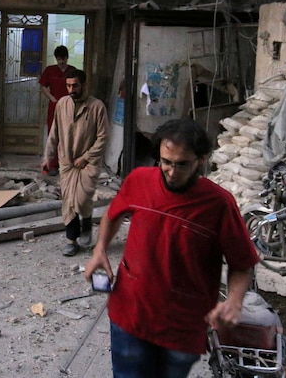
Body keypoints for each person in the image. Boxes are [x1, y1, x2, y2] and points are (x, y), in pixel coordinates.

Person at [83, 118, 258, 378]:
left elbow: (242, 263)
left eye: (182, 164)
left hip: (182, 327)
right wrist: (100, 251)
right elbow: (113, 214)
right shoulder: (139, 181)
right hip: (130, 314)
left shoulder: (219, 204)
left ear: (201, 159)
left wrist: (234, 301)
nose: (172, 172)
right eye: (166, 162)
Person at [42, 68, 107, 256]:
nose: (71, 89)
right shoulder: (62, 104)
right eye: (68, 85)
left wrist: (86, 157)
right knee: (69, 202)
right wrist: (48, 157)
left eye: (75, 85)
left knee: (82, 198)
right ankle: (71, 240)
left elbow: (103, 138)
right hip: (67, 162)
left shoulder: (97, 107)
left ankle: (86, 225)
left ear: (84, 85)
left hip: (89, 162)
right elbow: (54, 133)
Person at [38, 45, 76, 176]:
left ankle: (66, 164)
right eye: (59, 59)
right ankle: (52, 165)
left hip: (69, 106)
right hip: (54, 107)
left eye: (63, 59)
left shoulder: (72, 71)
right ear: (56, 58)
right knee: (53, 135)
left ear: (67, 58)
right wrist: (52, 98)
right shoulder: (50, 70)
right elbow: (42, 86)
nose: (61, 62)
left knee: (68, 135)